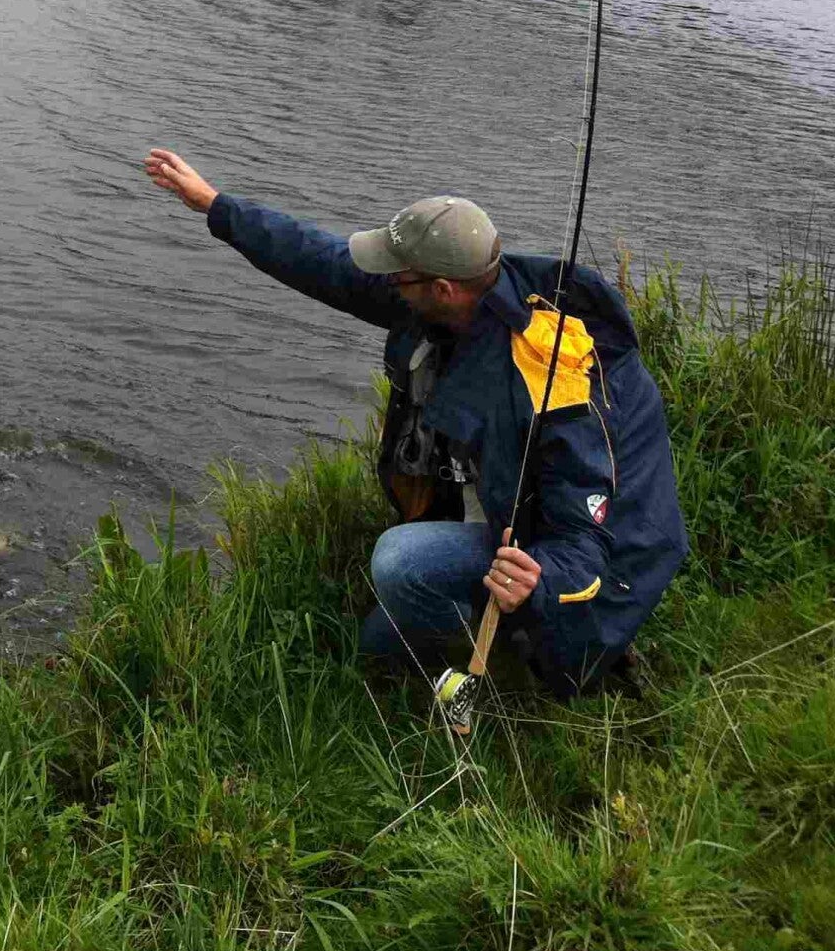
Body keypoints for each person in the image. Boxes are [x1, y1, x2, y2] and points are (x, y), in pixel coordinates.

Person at [143, 148, 688, 697]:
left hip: (600, 569)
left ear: (442, 288)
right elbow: (323, 261)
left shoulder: (551, 381)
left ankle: (525, 663)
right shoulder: (455, 292)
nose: (386, 281)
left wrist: (537, 585)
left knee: (399, 563)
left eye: (397, 274)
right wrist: (215, 205)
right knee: (378, 643)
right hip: (517, 516)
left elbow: (585, 538)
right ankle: (463, 626)